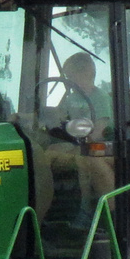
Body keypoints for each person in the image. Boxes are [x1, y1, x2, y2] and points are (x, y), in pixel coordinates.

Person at [35, 52, 114, 222]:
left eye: (71, 76)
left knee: (83, 157)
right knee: (44, 153)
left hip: (100, 146)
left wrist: (79, 142)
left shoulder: (100, 98)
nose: (68, 82)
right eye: (67, 77)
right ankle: (43, 209)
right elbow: (58, 120)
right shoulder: (71, 98)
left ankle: (85, 209)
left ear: (87, 73)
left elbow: (99, 131)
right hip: (77, 143)